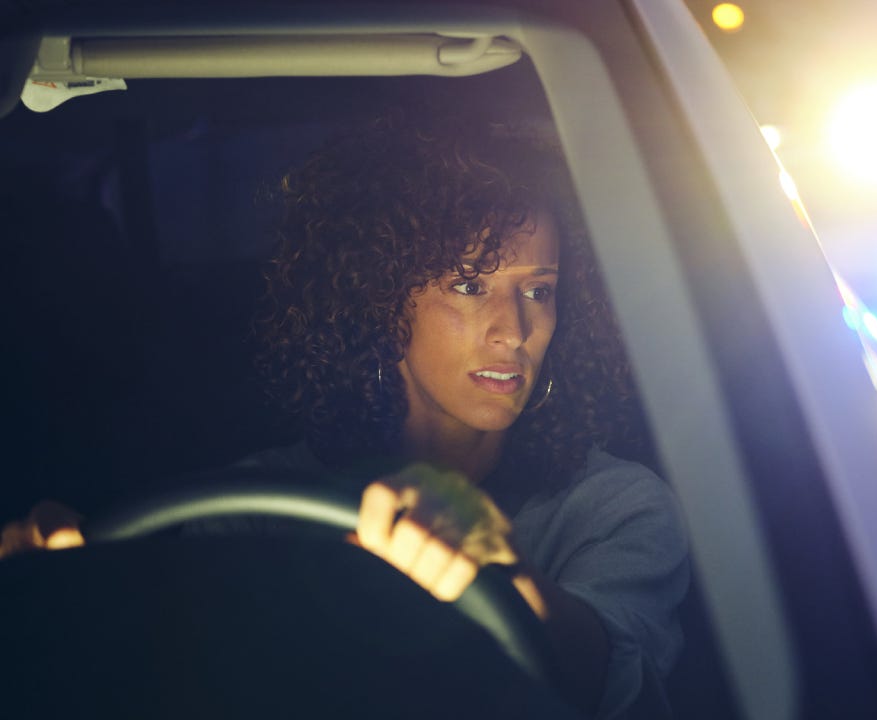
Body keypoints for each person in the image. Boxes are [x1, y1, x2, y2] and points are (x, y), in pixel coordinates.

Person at [0, 111, 689, 719]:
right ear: (380, 298)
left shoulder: (614, 505)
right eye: (468, 284)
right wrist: (60, 595)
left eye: (539, 291)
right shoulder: (256, 507)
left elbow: (615, 684)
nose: (514, 330)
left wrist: (502, 572)